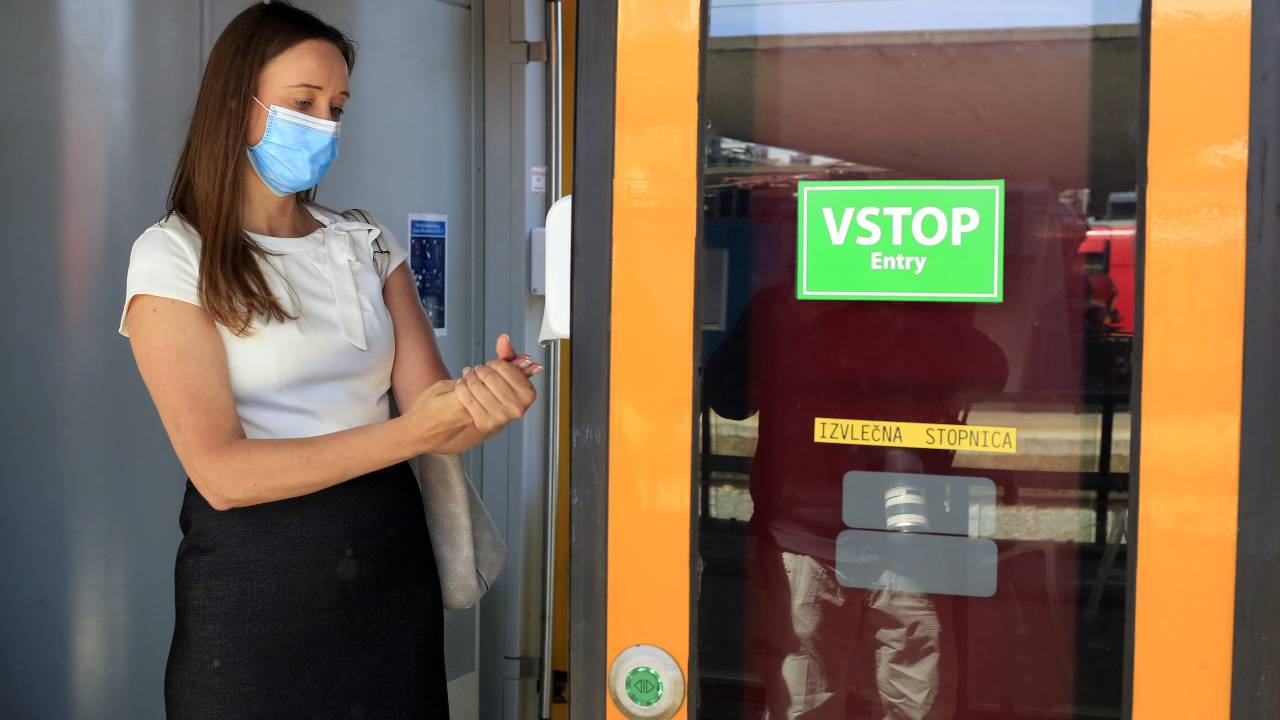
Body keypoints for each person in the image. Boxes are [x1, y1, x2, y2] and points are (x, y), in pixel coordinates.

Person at [116, 3, 539, 717]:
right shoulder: (174, 254)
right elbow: (221, 474)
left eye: (336, 107)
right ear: (235, 107)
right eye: (302, 103)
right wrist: (415, 432)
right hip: (254, 593)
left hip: (388, 569)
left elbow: (438, 417)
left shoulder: (366, 243)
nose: (324, 124)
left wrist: (485, 401)